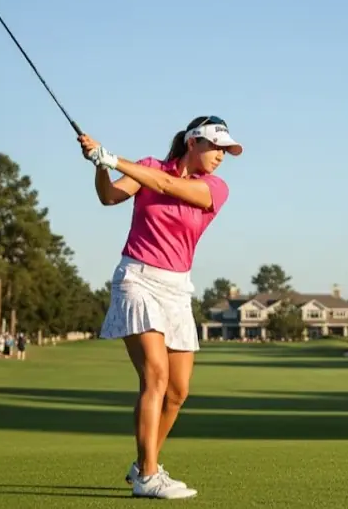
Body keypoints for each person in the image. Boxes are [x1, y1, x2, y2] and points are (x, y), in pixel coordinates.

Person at [78, 115, 242, 501]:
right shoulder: (148, 167)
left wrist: (114, 158)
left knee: (178, 391)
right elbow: (109, 197)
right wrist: (102, 167)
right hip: (137, 278)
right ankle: (149, 475)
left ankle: (142, 466)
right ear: (192, 143)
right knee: (155, 377)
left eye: (225, 150)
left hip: (177, 289)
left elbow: (167, 185)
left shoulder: (215, 188)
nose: (221, 156)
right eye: (215, 147)